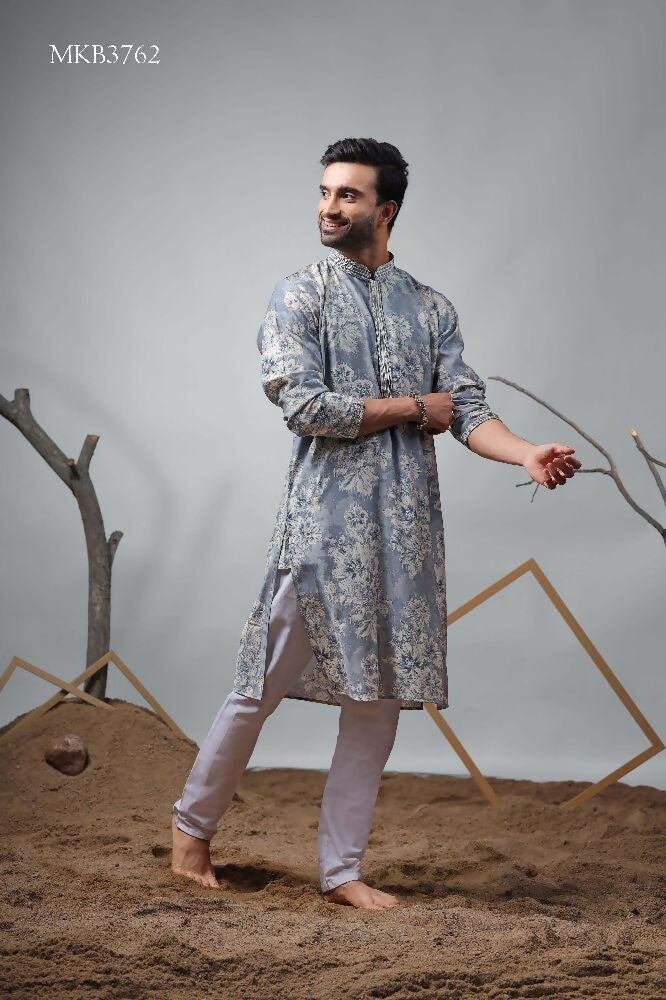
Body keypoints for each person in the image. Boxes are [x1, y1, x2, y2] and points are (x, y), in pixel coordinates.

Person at [171, 138, 581, 910]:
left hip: (406, 538)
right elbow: (306, 406)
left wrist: (526, 452)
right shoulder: (299, 295)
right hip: (321, 533)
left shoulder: (430, 308)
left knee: (378, 705)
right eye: (325, 192)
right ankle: (191, 833)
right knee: (257, 686)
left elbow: (468, 411)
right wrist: (415, 407)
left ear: (385, 210)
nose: (329, 207)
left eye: (348, 195)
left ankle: (342, 872)